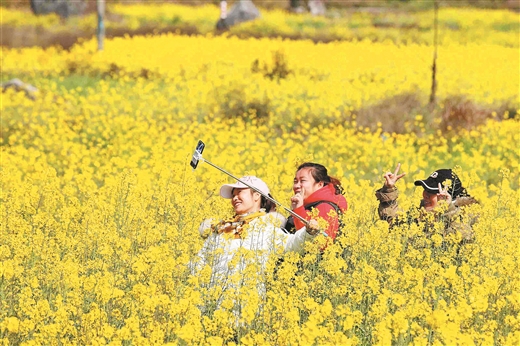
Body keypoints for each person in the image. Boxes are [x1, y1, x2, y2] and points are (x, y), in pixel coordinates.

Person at [195, 176, 321, 310]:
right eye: (233, 195)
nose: (234, 198)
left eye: (239, 193)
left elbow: (291, 245)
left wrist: (308, 232)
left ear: (256, 195)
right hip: (213, 303)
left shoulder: (266, 227)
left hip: (247, 305)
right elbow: (202, 259)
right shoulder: (222, 228)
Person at [375, 164, 478, 241]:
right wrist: (388, 191)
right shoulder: (420, 214)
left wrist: (448, 210)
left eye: (432, 192)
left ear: (448, 198)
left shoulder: (465, 218)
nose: (425, 195)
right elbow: (393, 223)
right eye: (426, 189)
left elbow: (463, 238)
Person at [285, 162, 348, 241]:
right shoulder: (309, 204)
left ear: (320, 184)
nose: (297, 186)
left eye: (302, 181)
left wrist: (299, 210)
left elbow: (317, 243)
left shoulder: (325, 208)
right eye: (295, 181)